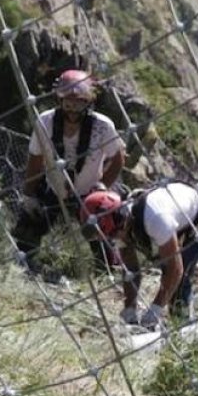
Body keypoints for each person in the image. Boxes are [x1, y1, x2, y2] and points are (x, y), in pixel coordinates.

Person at [12, 69, 125, 275]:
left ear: (88, 102)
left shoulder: (102, 126)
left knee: (102, 235)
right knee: (29, 225)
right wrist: (29, 195)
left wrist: (102, 187)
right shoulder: (45, 122)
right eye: (68, 104)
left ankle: (107, 275)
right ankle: (22, 266)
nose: (73, 110)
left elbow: (118, 157)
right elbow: (35, 160)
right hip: (54, 188)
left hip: (89, 194)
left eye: (79, 103)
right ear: (59, 101)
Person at [83, 179, 198, 328]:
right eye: (112, 237)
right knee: (168, 268)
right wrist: (129, 307)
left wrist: (155, 310)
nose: (118, 238)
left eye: (116, 234)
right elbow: (131, 268)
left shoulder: (155, 218)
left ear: (121, 218)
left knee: (180, 273)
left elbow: (175, 270)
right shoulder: (118, 225)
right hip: (178, 220)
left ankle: (183, 325)